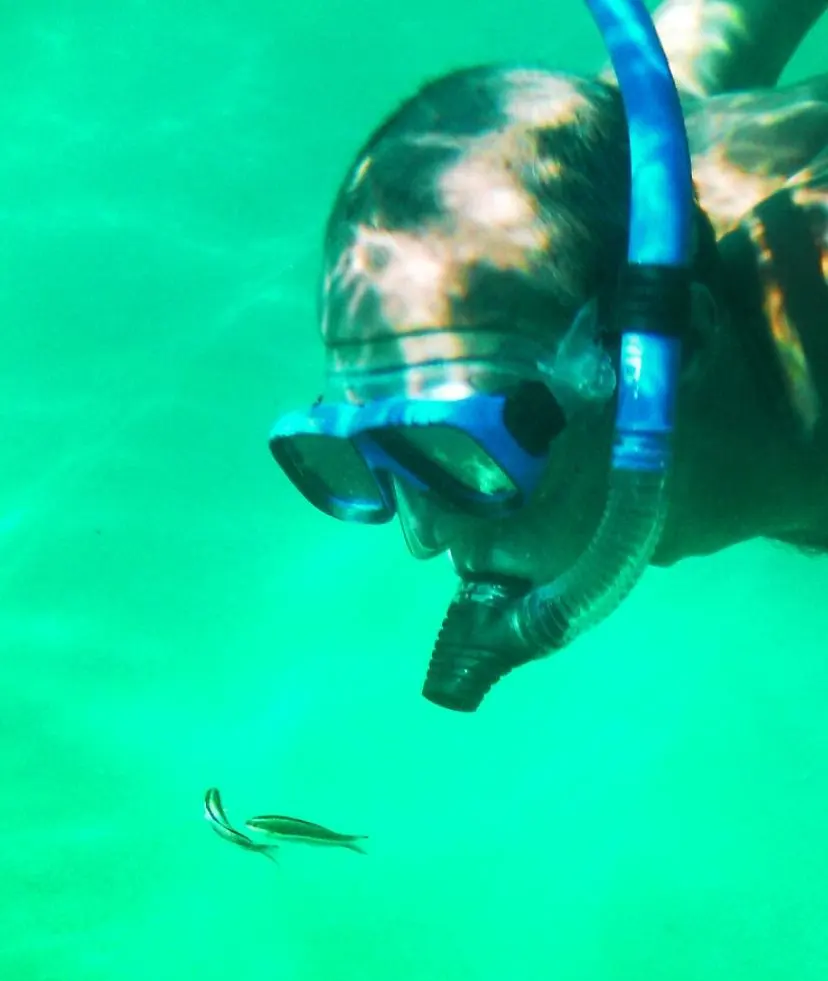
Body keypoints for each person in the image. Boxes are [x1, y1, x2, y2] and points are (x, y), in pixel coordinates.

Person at [269, 0, 828, 710]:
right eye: (359, 454)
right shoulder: (634, 173)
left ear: (678, 345)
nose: (424, 534)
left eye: (457, 448)